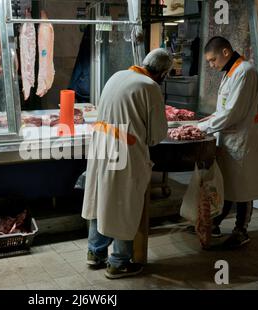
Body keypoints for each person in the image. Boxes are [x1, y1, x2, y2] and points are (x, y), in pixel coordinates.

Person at [82, 48, 172, 279]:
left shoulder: (117, 75)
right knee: (123, 203)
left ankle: (95, 252)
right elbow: (156, 135)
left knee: (102, 198)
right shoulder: (150, 87)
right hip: (124, 150)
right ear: (163, 73)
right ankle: (119, 262)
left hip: (101, 145)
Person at [197, 36, 258, 248]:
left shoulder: (245, 72)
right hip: (228, 139)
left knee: (244, 186)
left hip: (241, 140)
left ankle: (241, 231)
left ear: (225, 52)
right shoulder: (231, 72)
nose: (211, 65)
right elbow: (225, 109)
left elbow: (233, 113)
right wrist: (208, 120)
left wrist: (200, 128)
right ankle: (216, 223)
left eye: (213, 60)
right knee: (226, 183)